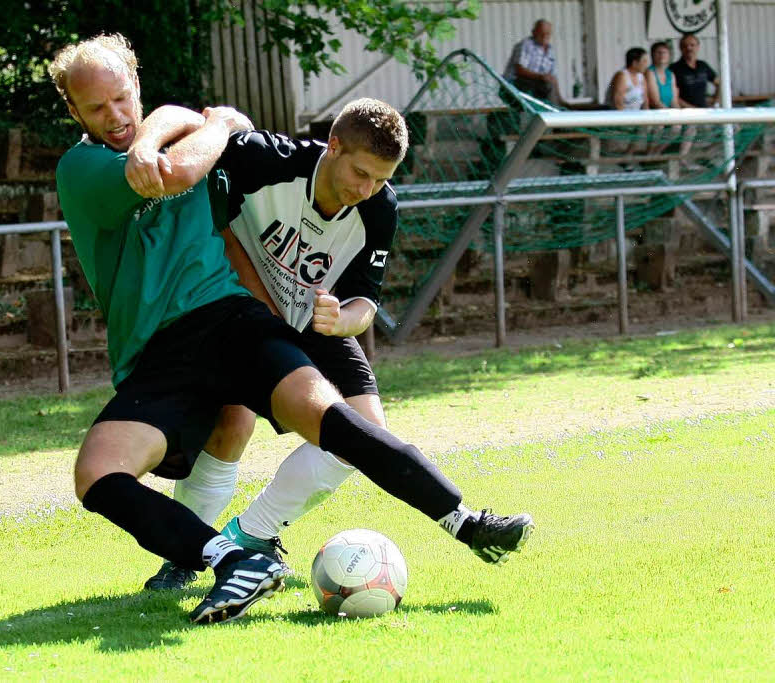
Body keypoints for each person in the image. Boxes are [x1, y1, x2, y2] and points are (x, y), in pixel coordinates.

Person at [49, 33, 534, 624]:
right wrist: (219, 125)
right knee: (96, 474)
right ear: (73, 112)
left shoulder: (177, 132)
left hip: (232, 319)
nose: (116, 117)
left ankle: (465, 521)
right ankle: (230, 556)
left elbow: (179, 119)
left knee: (335, 424)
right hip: (158, 350)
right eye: (96, 108)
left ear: (136, 88)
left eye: (123, 100)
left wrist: (194, 123)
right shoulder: (82, 167)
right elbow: (176, 171)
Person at [140, 99, 416, 590]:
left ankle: (251, 535)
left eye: (380, 179)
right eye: (360, 173)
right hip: (234, 314)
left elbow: (366, 303)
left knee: (367, 438)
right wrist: (146, 143)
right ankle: (183, 557)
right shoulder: (265, 159)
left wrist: (341, 321)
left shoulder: (379, 207)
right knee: (231, 423)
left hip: (311, 323)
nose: (366, 189)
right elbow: (201, 128)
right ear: (333, 146)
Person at [502, 19, 563, 104]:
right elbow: (519, 70)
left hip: (534, 83)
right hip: (514, 84)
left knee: (549, 84)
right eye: (541, 33)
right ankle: (553, 113)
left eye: (548, 33)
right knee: (546, 85)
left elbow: (552, 77)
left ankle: (557, 108)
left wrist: (560, 99)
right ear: (534, 32)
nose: (544, 36)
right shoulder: (525, 45)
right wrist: (540, 77)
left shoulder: (550, 51)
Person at [645, 41, 682, 155]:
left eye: (664, 52)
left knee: (687, 126)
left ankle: (679, 157)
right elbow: (655, 101)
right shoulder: (650, 72)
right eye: (658, 53)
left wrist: (680, 114)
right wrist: (672, 115)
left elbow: (674, 101)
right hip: (653, 112)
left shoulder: (670, 74)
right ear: (652, 55)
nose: (661, 55)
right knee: (661, 127)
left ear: (669, 55)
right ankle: (649, 156)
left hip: (667, 112)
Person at [670, 34, 718, 108]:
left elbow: (720, 83)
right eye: (685, 46)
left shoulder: (703, 65)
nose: (689, 48)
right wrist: (692, 108)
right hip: (684, 113)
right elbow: (671, 95)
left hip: (704, 111)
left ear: (698, 47)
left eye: (692, 45)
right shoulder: (674, 68)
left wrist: (715, 102)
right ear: (680, 48)